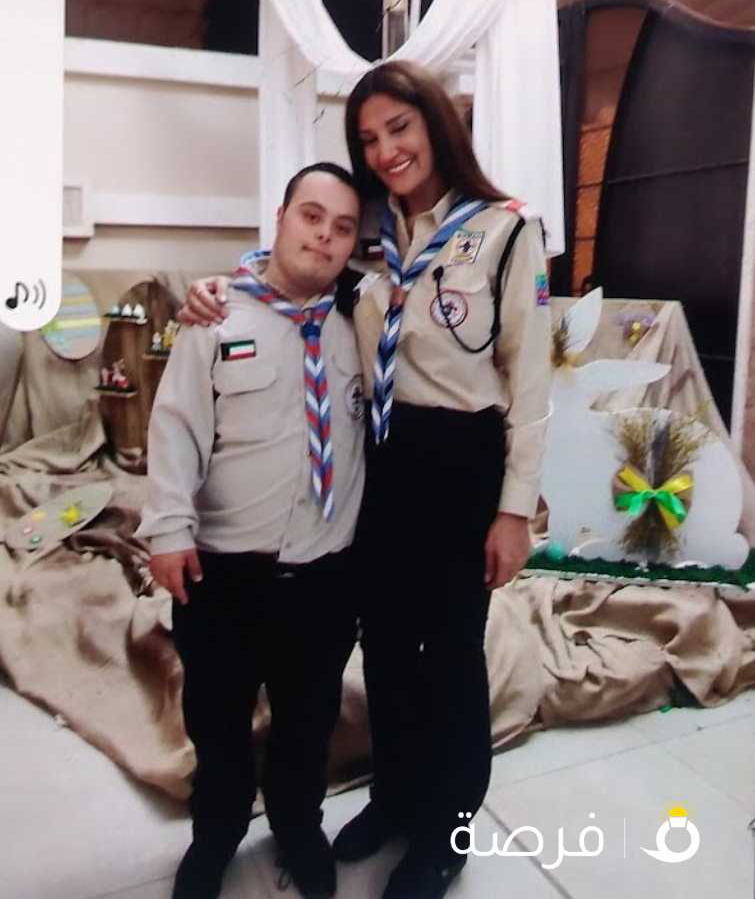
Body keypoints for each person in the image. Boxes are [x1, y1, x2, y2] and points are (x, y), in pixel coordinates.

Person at [179, 60, 552, 899]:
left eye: (398, 128)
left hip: (459, 463)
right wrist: (212, 288)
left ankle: (446, 830)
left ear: (435, 124)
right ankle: (396, 796)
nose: (385, 150)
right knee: (383, 648)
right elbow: (289, 282)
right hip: (379, 460)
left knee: (450, 654)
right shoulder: (370, 238)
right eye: (368, 138)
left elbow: (529, 385)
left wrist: (512, 510)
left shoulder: (504, 231)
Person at [137, 163, 366, 899]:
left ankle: (298, 825)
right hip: (224, 574)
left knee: (309, 718)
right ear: (280, 218)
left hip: (324, 575)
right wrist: (168, 530)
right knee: (217, 720)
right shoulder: (217, 317)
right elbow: (176, 427)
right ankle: (217, 832)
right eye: (311, 217)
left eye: (341, 229)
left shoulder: (362, 321)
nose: (323, 238)